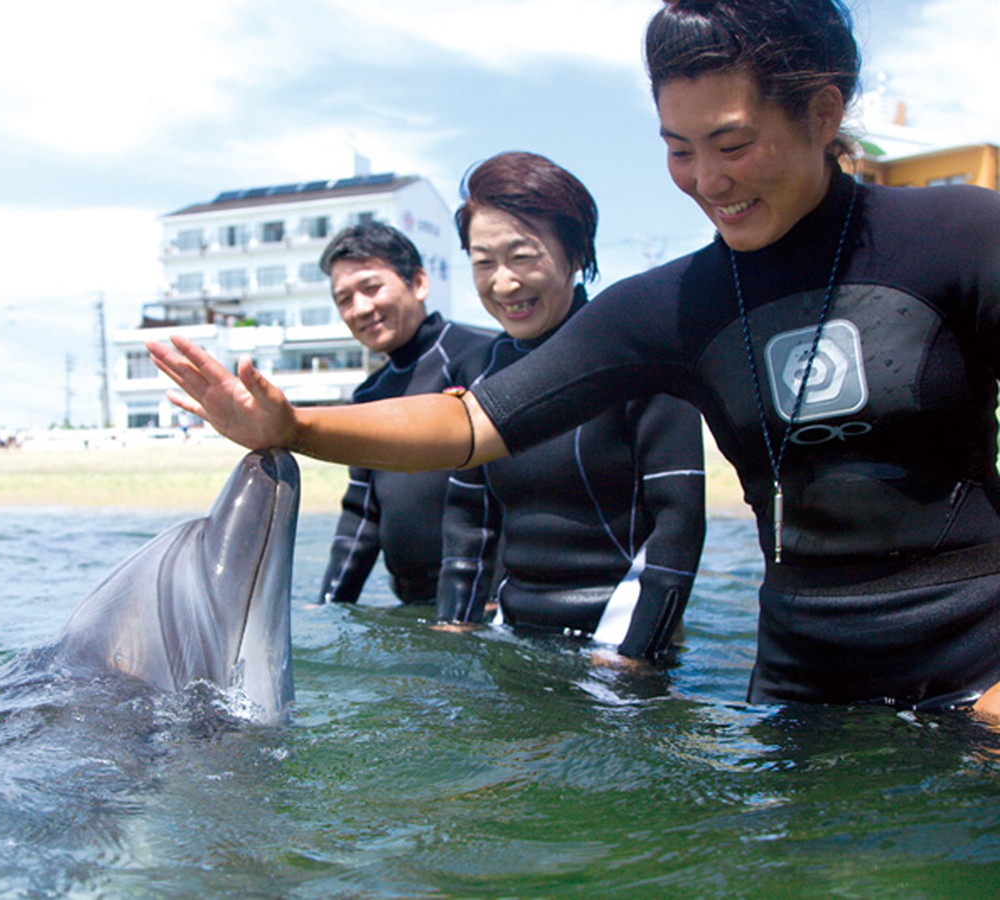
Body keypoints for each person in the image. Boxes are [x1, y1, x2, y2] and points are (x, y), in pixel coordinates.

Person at [148, 0, 1000, 718]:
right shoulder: (674, 304)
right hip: (801, 673)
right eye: (677, 147)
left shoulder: (960, 238)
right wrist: (292, 424)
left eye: (732, 144)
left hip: (979, 647)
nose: (705, 179)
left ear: (822, 112)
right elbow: (475, 420)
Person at [437, 151, 706, 662]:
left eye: (523, 256)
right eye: (483, 261)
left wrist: (634, 653)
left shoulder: (639, 357)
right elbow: (469, 519)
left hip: (622, 642)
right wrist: (455, 627)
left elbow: (680, 520)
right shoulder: (478, 372)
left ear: (577, 254)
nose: (503, 282)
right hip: (514, 635)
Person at [316, 221, 496, 606]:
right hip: (411, 604)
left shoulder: (482, 355)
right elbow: (362, 515)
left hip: (485, 600)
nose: (360, 308)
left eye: (371, 288)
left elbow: (500, 491)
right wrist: (329, 606)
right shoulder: (369, 393)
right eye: (344, 299)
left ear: (418, 283)